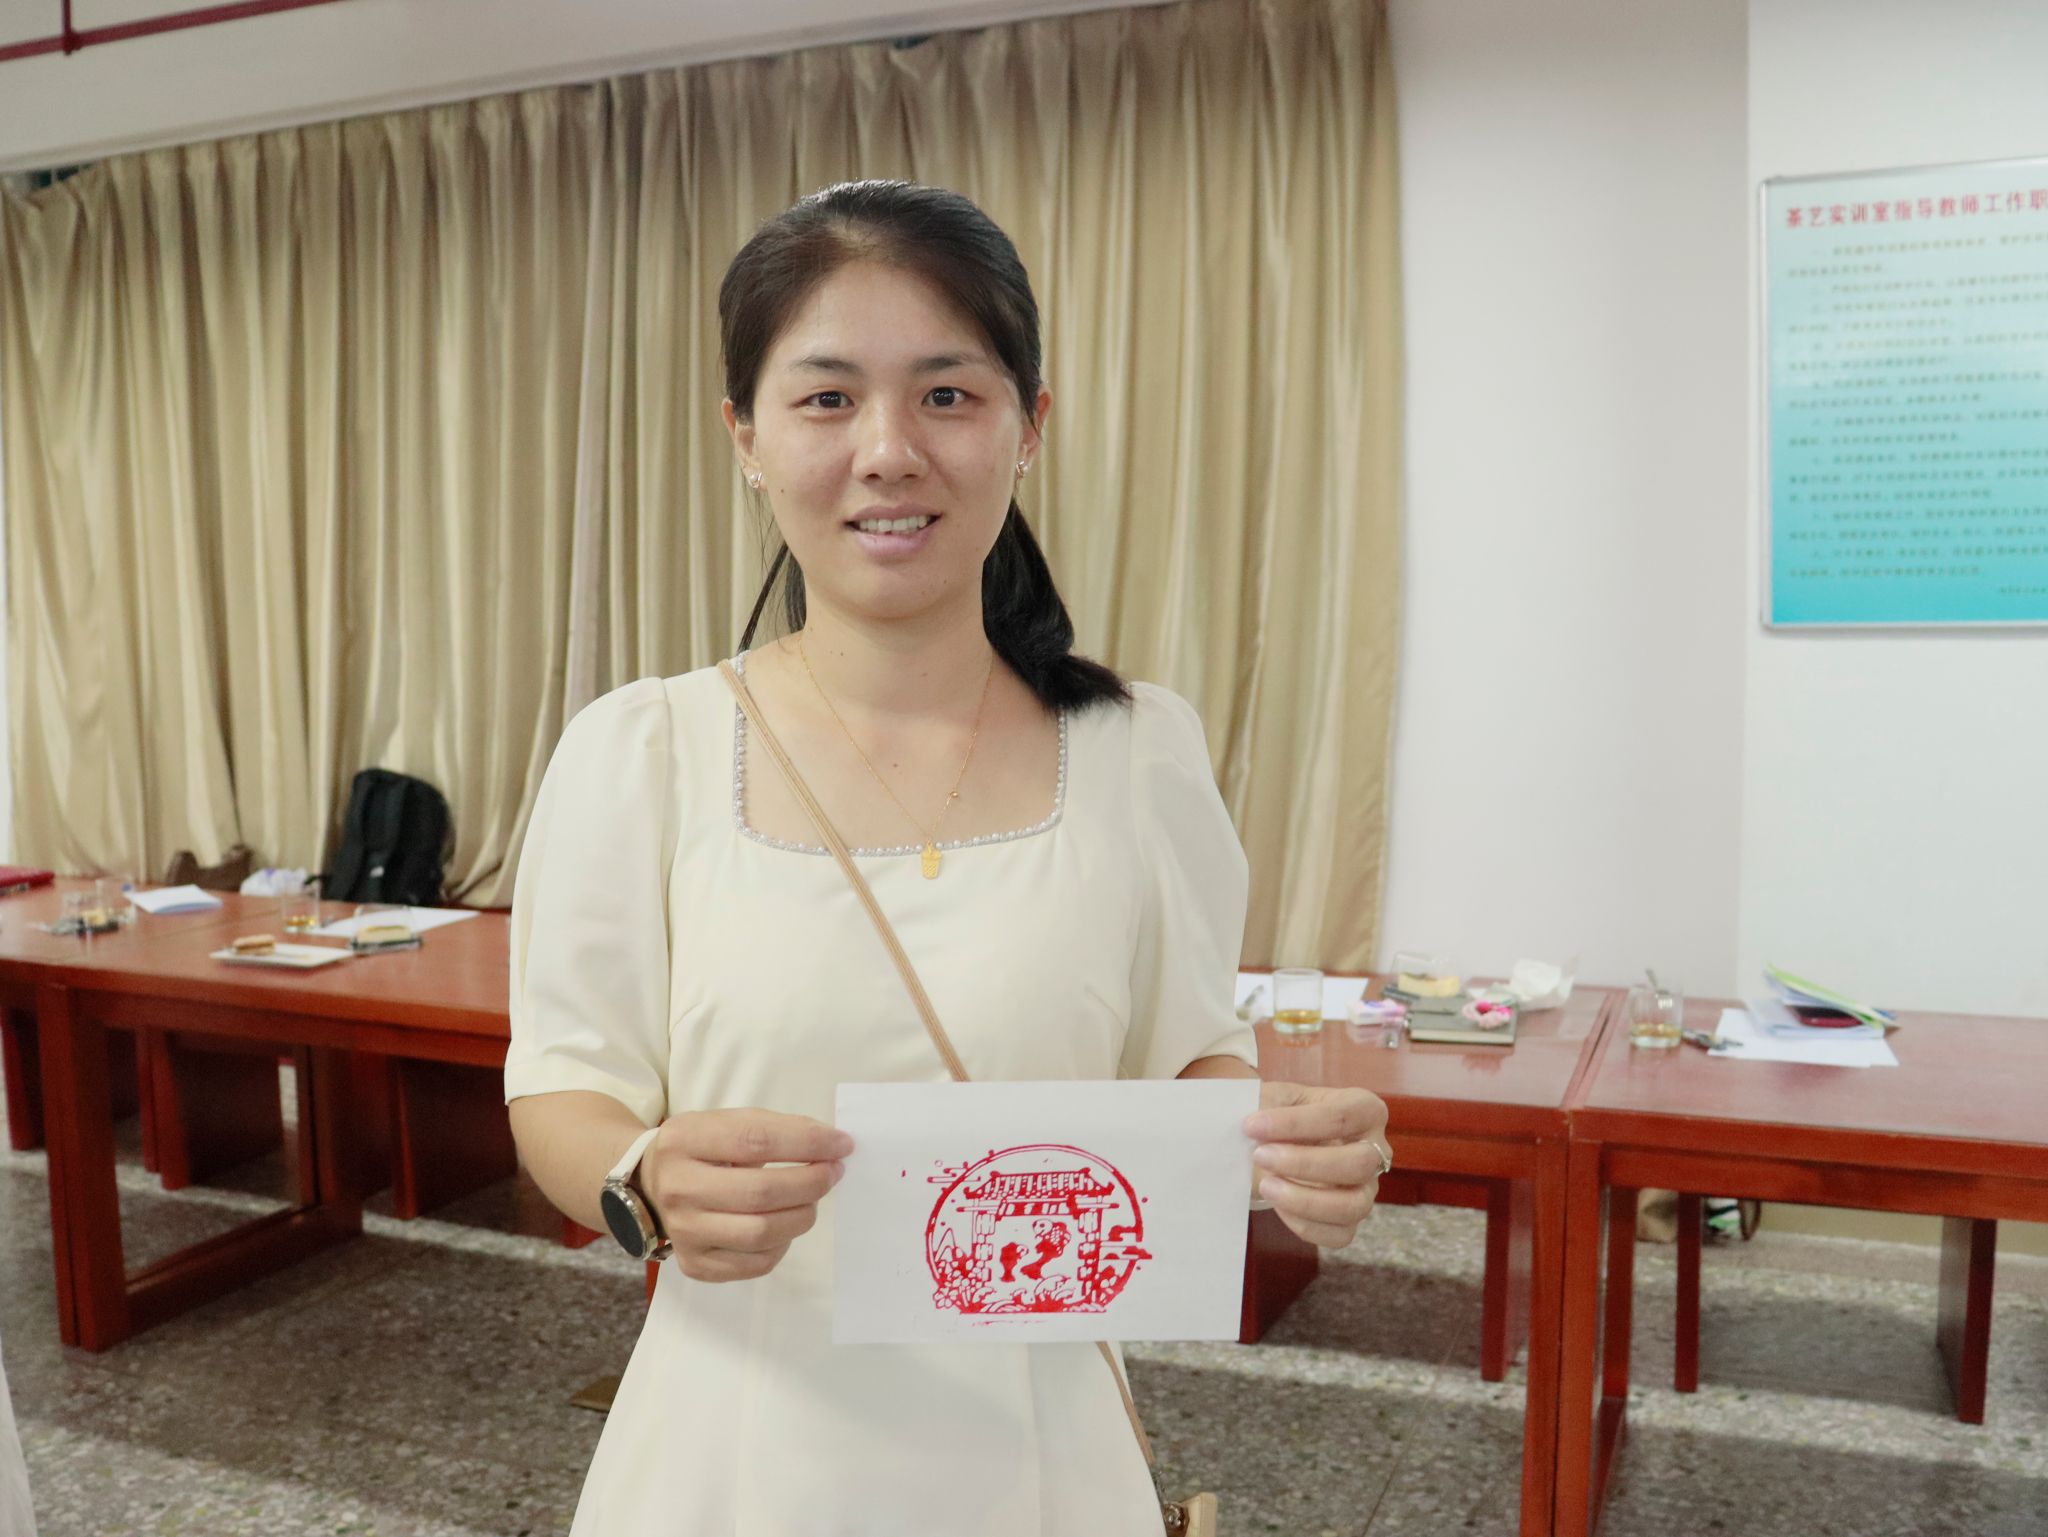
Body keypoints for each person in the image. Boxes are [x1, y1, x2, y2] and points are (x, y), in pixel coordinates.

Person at [505, 179, 1390, 1536]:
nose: (888, 451)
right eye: (826, 398)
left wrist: (1286, 1147)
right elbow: (564, 1088)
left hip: (1046, 1456)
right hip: (736, 1452)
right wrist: (644, 1184)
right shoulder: (645, 751)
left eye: (947, 394)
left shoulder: (1137, 749)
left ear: (1029, 426)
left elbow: (1187, 1059)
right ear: (744, 437)